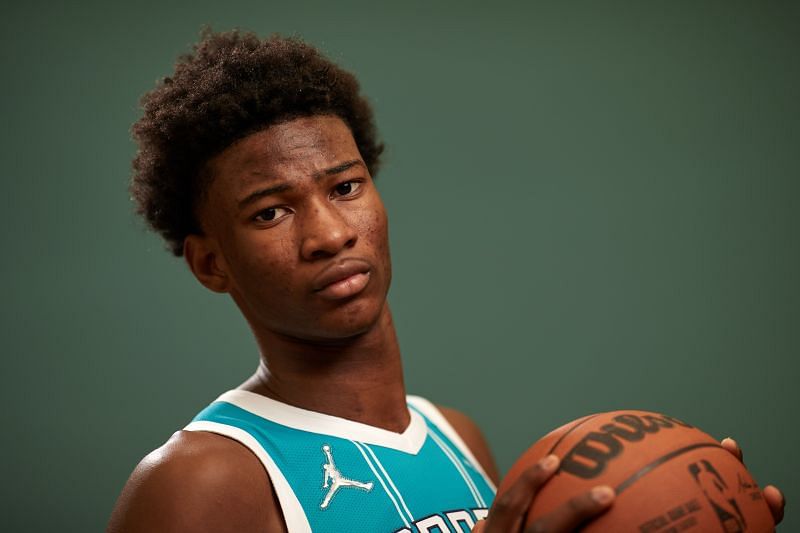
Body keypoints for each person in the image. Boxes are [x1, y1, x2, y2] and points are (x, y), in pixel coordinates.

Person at [107, 29, 785, 533]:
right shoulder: (198, 482)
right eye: (271, 211)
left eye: (344, 186)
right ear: (210, 262)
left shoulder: (459, 437)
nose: (330, 234)